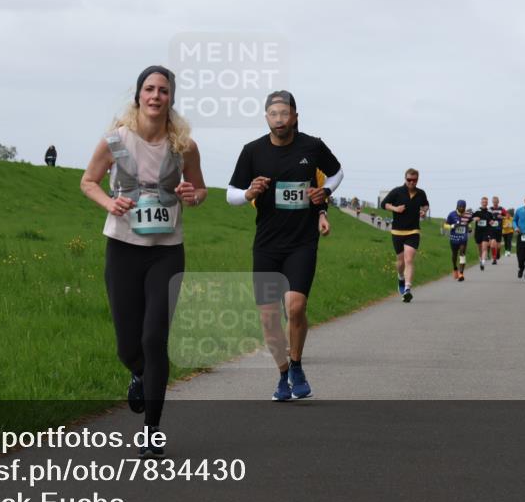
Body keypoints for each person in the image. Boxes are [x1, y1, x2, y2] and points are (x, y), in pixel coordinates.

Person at [80, 65, 207, 457]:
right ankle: (139, 374)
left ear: (171, 98)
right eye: (149, 89)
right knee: (128, 346)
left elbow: (201, 189)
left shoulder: (183, 145)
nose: (155, 96)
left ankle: (152, 431)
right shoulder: (116, 140)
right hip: (123, 247)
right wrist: (109, 201)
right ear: (138, 95)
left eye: (163, 91)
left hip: (167, 251)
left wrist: (192, 195)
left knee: (155, 340)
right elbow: (88, 182)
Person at [227, 90, 343, 401]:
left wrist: (325, 193)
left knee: (295, 305)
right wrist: (249, 193)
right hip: (266, 245)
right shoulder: (252, 151)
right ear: (267, 118)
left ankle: (296, 365)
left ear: (295, 116)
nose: (280, 119)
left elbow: (336, 172)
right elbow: (231, 194)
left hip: (302, 242)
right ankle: (281, 375)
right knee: (268, 315)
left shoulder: (312, 146)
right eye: (273, 114)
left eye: (285, 113)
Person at [382, 168, 430, 302]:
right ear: (405, 179)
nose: (411, 182)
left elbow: (426, 205)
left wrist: (424, 211)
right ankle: (400, 278)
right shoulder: (397, 191)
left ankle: (408, 289)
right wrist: (395, 208)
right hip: (397, 231)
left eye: (414, 180)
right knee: (400, 261)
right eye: (409, 180)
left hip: (413, 231)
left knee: (409, 259)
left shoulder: (421, 193)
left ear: (417, 180)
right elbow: (383, 204)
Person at [445, 200, 474, 281]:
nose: (462, 208)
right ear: (457, 206)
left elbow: (469, 222)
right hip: (453, 238)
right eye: (460, 207)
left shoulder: (468, 214)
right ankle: (455, 268)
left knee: (462, 253)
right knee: (454, 254)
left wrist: (470, 228)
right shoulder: (452, 214)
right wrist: (453, 226)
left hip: (463, 238)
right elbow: (445, 225)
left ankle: (461, 274)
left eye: (463, 207)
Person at [471, 197, 494, 271]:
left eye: (486, 202)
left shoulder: (490, 212)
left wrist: (492, 222)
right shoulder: (476, 211)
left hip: (486, 232)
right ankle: (480, 259)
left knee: (484, 247)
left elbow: (492, 220)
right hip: (478, 232)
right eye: (483, 202)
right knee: (479, 248)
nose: (484, 203)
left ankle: (483, 263)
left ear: (487, 203)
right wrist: (474, 219)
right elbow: (471, 218)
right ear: (481, 202)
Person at [488, 196, 507, 264]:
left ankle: (498, 252)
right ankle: (494, 258)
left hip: (499, 229)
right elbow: (486, 217)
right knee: (492, 244)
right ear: (492, 202)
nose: (495, 203)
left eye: (496, 202)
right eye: (494, 202)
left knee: (498, 245)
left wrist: (502, 216)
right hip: (492, 229)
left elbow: (507, 216)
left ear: (498, 202)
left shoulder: (501, 209)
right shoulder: (490, 209)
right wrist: (489, 221)